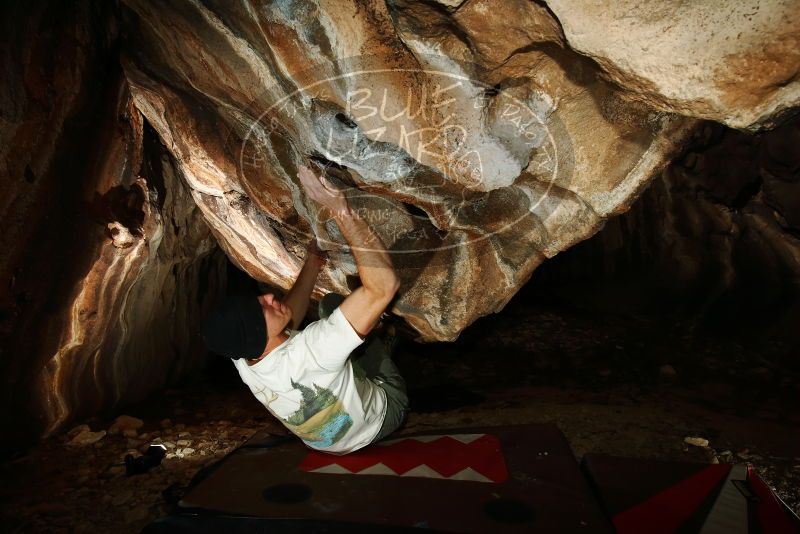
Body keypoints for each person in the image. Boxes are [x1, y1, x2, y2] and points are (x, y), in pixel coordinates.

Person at [201, 165, 408, 454]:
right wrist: (340, 209)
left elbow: (287, 317)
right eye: (262, 307)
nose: (270, 298)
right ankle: (382, 337)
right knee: (332, 305)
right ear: (259, 333)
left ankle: (362, 335)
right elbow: (384, 286)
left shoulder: (244, 358)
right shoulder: (312, 353)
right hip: (383, 418)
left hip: (323, 446)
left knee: (330, 323)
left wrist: (312, 263)